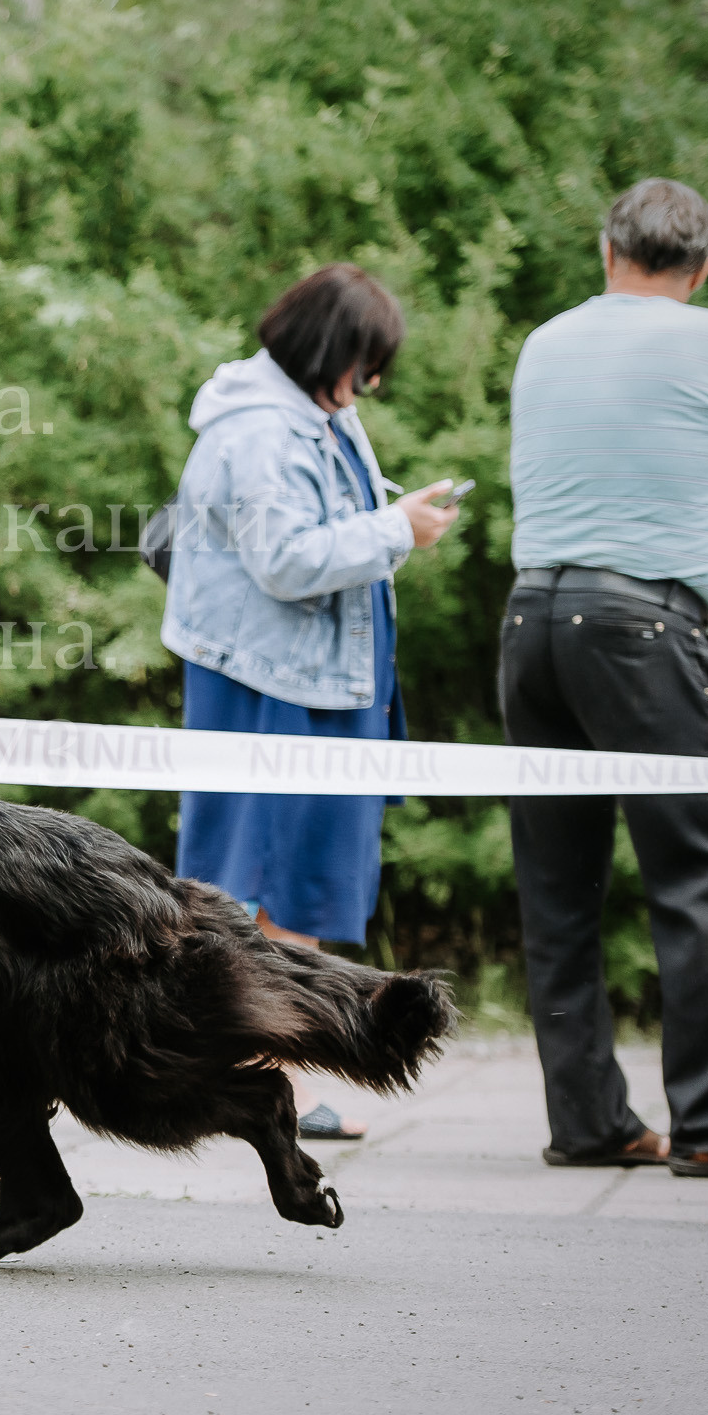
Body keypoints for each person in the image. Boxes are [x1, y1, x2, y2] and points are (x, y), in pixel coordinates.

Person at [503, 176, 708, 1180]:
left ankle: (588, 1118)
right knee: (706, 873)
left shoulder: (545, 340)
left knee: (556, 884)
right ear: (700, 269)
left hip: (529, 619)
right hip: (643, 627)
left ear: (609, 254)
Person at [161, 263, 462, 1141]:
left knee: (298, 883)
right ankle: (262, 1068)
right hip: (272, 681)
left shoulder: (318, 413)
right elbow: (286, 562)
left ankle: (266, 1064)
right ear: (327, 350)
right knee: (262, 883)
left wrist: (393, 525)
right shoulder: (261, 431)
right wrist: (395, 530)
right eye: (363, 362)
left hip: (315, 676)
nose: (369, 382)